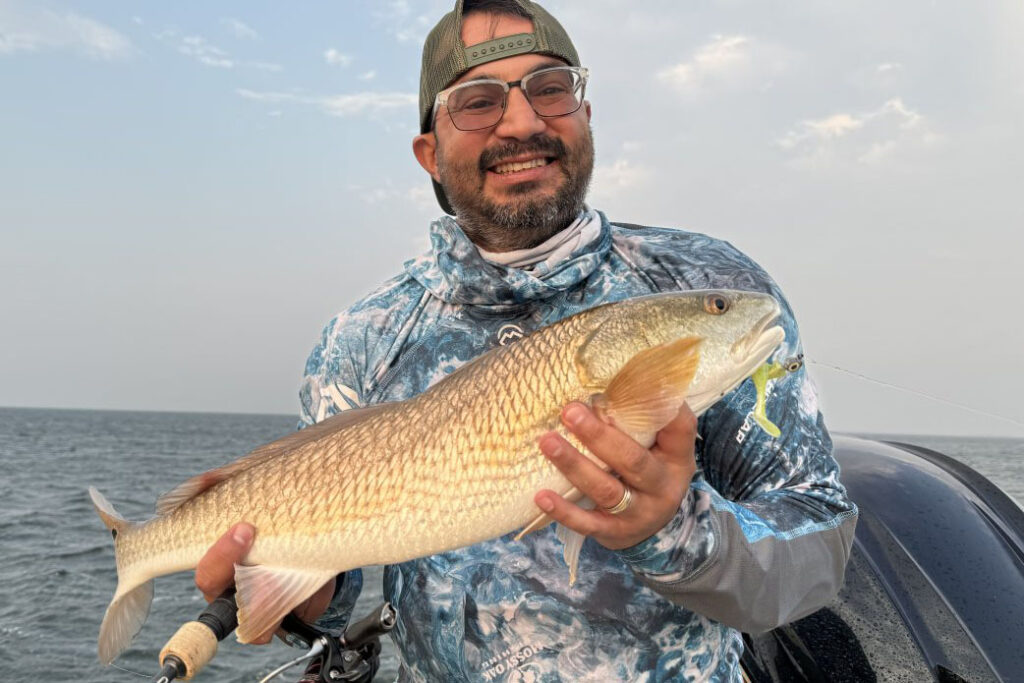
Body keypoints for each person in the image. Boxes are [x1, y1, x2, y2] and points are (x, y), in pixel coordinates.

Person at [195, 1, 858, 680]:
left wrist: (679, 530)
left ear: (585, 114)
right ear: (429, 153)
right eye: (478, 102)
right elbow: (337, 591)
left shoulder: (711, 286)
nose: (523, 122)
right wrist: (301, 592)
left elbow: (817, 544)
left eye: (550, 88)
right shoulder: (361, 341)